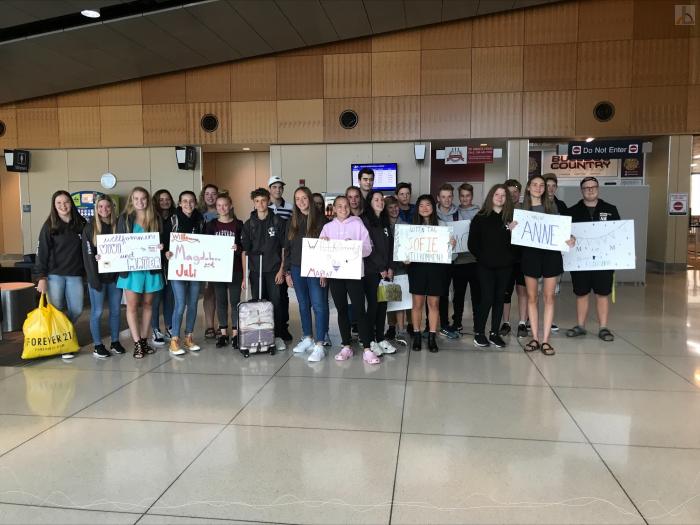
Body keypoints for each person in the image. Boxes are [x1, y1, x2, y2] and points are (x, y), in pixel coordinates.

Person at [519, 175, 575, 356]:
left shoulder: (553, 207)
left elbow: (563, 231)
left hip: (551, 256)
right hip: (530, 256)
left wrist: (570, 238)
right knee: (532, 297)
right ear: (528, 188)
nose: (538, 187)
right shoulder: (520, 209)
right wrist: (510, 228)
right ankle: (534, 337)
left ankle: (545, 340)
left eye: (541, 185)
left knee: (549, 297)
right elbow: (513, 234)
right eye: (534, 185)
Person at [319, 196, 377, 364]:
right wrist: (323, 246)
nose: (343, 209)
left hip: (354, 273)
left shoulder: (358, 224)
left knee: (360, 309)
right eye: (339, 206)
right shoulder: (327, 227)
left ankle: (367, 348)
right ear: (334, 208)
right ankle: (346, 346)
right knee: (341, 309)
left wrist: (355, 245)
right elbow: (322, 251)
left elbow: (368, 249)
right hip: (336, 275)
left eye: (346, 206)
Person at [565, 176, 621, 342]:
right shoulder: (572, 211)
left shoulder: (611, 209)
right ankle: (580, 326)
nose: (590, 189)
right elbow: (566, 236)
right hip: (580, 262)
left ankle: (603, 327)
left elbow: (618, 234)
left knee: (602, 294)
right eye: (586, 187)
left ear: (598, 188)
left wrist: (625, 252)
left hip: (603, 262)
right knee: (581, 293)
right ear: (581, 191)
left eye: (593, 187)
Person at [35, 190, 87, 359]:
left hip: (75, 274)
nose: (63, 206)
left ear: (71, 203)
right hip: (54, 275)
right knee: (56, 310)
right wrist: (41, 277)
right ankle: (65, 344)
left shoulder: (81, 223)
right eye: (59, 203)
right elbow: (42, 253)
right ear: (54, 205)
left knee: (77, 309)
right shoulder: (49, 226)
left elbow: (90, 248)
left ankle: (64, 334)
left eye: (66, 202)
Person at [116, 187, 165, 359]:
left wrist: (161, 246)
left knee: (148, 305)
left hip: (151, 269)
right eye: (136, 198)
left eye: (143, 198)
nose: (139, 202)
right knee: (132, 306)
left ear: (148, 200)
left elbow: (164, 240)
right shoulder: (125, 219)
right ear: (131, 200)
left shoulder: (156, 218)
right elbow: (118, 243)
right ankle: (137, 343)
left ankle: (144, 341)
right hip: (132, 270)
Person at [468, 185, 515, 348]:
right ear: (491, 196)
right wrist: (484, 259)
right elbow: (472, 244)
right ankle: (479, 332)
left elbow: (516, 244)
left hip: (505, 267)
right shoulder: (480, 217)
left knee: (499, 299)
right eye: (497, 194)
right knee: (487, 298)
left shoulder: (511, 218)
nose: (500, 197)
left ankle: (494, 333)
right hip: (485, 267)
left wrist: (511, 232)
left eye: (503, 195)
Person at [284, 187, 329, 362]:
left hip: (316, 269)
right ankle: (308, 337)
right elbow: (287, 248)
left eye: (304, 198)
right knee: (303, 305)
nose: (301, 201)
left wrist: (324, 271)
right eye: (297, 199)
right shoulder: (292, 221)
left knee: (319, 305)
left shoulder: (322, 221)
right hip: (296, 268)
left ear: (310, 199)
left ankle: (319, 343)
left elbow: (327, 249)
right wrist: (287, 271)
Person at [241, 187, 287, 352]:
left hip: (274, 270)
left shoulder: (278, 222)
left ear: (268, 201)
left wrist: (282, 270)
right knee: (259, 304)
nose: (260, 204)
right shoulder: (249, 224)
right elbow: (244, 251)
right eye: (257, 201)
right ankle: (261, 335)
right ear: (253, 203)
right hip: (256, 271)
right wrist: (245, 276)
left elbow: (284, 248)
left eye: (263, 200)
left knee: (276, 304)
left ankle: (278, 336)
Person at [82, 195, 126, 358]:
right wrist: (93, 279)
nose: (104, 210)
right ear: (96, 208)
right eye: (100, 206)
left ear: (112, 208)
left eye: (107, 206)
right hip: (97, 279)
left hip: (114, 278)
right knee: (97, 312)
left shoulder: (118, 226)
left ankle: (115, 341)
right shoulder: (89, 228)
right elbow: (87, 255)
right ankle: (97, 345)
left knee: (115, 311)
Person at [407, 195, 451, 353]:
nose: (424, 208)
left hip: (436, 269)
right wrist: (405, 258)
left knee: (434, 304)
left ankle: (432, 336)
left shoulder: (443, 226)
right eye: (421, 205)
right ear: (417, 209)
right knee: (417, 304)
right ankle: (417, 335)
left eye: (428, 205)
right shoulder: (411, 228)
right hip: (417, 268)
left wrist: (450, 245)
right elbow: (406, 252)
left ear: (433, 207)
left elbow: (448, 253)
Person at [165, 191, 206, 356]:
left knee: (194, 303)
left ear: (195, 203)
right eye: (184, 201)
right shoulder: (172, 220)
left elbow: (207, 242)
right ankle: (174, 339)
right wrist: (166, 253)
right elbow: (164, 241)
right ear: (180, 203)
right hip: (178, 268)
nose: (188, 204)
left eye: (191, 201)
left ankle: (189, 336)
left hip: (195, 269)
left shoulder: (200, 219)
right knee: (180, 304)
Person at [206, 193, 245, 349]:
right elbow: (207, 247)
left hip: (235, 269)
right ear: (216, 208)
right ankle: (223, 333)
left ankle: (235, 334)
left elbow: (244, 247)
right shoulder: (211, 225)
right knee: (221, 302)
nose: (222, 208)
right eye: (219, 205)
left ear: (230, 206)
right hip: (217, 270)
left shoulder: (239, 224)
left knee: (235, 301)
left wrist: (238, 248)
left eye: (225, 205)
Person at [361, 190, 397, 357]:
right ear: (369, 202)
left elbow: (390, 248)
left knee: (383, 305)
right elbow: (369, 248)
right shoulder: (365, 221)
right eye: (376, 199)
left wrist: (390, 267)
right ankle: (370, 341)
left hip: (385, 272)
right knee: (373, 306)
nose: (380, 202)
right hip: (371, 272)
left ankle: (381, 338)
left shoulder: (384, 222)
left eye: (381, 200)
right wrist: (381, 267)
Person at [501, 179, 529, 338]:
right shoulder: (502, 211)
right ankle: (506, 322)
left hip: (523, 258)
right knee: (506, 292)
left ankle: (522, 323)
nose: (512, 195)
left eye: (515, 192)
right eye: (509, 192)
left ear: (520, 193)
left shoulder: (527, 210)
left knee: (522, 290)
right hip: (506, 258)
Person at [267, 176, 293, 341]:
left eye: (280, 187)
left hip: (285, 254)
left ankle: (283, 327)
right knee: (270, 295)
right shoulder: (263, 206)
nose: (277, 190)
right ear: (270, 189)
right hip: (270, 256)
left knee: (283, 294)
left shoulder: (290, 208)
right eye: (274, 187)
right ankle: (270, 327)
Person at [151, 189, 175, 346]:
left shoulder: (175, 218)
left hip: (172, 261)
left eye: (167, 199)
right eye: (161, 199)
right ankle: (154, 328)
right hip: (155, 263)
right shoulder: (152, 218)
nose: (165, 202)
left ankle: (169, 327)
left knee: (169, 297)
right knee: (156, 297)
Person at [384, 196, 409, 345]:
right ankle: (391, 327)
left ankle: (401, 329)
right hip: (387, 267)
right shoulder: (383, 226)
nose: (394, 210)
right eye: (390, 207)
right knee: (389, 299)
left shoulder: (405, 225)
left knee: (400, 300)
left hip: (401, 267)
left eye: (396, 207)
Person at [199, 183, 219, 341]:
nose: (210, 196)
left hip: (220, 258)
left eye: (213, 194)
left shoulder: (224, 210)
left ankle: (221, 326)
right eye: (207, 194)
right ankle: (209, 326)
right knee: (208, 293)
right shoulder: (198, 214)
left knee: (221, 293)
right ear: (203, 196)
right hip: (203, 258)